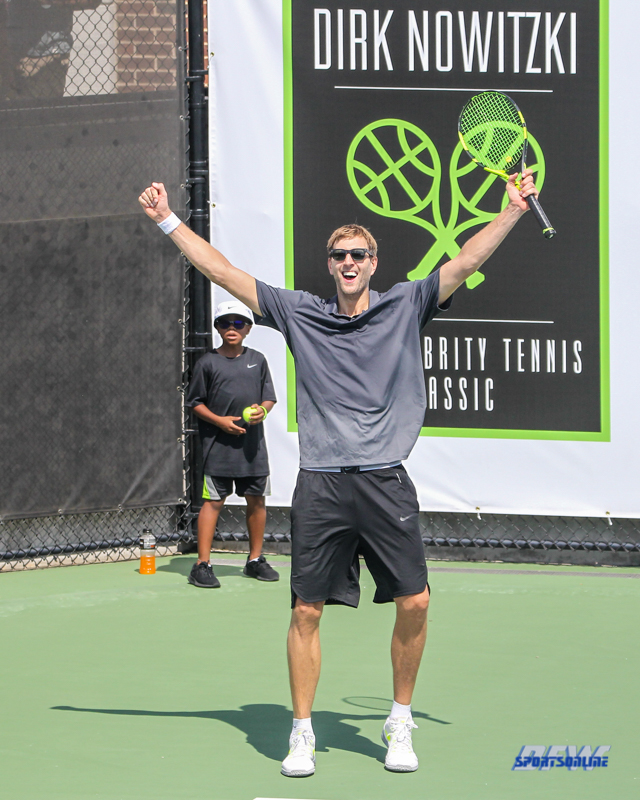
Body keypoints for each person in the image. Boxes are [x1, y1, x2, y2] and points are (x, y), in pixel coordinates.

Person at [138, 169, 539, 776]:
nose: (349, 262)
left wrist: (512, 210)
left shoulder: (406, 303)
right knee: (306, 611)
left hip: (384, 480)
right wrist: (168, 219)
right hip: (322, 484)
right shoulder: (300, 313)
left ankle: (399, 720)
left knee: (416, 601)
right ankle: (302, 733)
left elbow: (464, 261)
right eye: (339, 255)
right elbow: (222, 271)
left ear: (374, 263)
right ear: (329, 265)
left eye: (358, 254)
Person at [185, 299, 279, 588]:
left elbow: (269, 398)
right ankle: (202, 564)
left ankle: (255, 560)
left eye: (239, 323)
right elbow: (195, 403)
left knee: (257, 501)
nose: (232, 328)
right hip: (218, 450)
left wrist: (262, 411)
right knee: (213, 502)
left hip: (253, 451)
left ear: (248, 328)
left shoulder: (258, 360)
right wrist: (220, 421)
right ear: (217, 328)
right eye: (225, 323)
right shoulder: (207, 363)